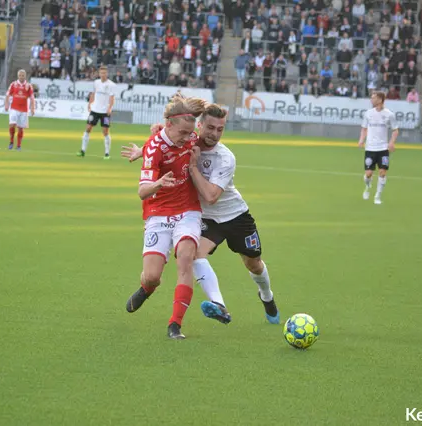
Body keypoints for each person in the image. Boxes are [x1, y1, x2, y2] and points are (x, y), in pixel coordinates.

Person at [122, 103, 280, 325]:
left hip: (235, 216)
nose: (215, 134)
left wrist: (193, 167)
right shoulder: (189, 139)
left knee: (253, 264)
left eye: (220, 129)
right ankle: (219, 305)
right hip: (206, 218)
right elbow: (166, 138)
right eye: (210, 128)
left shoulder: (225, 158)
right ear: (200, 125)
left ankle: (267, 296)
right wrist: (143, 151)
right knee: (192, 254)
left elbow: (211, 196)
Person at [125, 95, 208, 340]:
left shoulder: (188, 134)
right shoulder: (153, 148)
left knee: (185, 258)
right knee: (152, 276)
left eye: (190, 133)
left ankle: (175, 325)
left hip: (188, 210)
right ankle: (146, 288)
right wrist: (159, 183)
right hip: (158, 213)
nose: (188, 139)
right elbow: (142, 192)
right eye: (183, 133)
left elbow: (201, 134)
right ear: (169, 125)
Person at [358, 91, 399, 205]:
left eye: (373, 98)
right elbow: (364, 128)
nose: (371, 100)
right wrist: (361, 139)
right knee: (369, 173)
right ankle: (367, 185)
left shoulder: (389, 114)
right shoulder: (368, 113)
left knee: (382, 172)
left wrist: (391, 142)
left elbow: (395, 130)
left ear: (380, 100)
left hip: (383, 149)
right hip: (370, 148)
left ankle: (377, 196)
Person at [78, 66, 116, 159]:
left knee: (105, 131)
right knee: (88, 128)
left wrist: (110, 108)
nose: (103, 75)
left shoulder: (111, 85)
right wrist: (90, 104)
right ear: (99, 74)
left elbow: (112, 98)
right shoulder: (96, 83)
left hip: (105, 112)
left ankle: (107, 153)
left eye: (104, 73)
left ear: (107, 74)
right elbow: (93, 94)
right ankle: (82, 150)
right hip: (95, 110)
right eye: (101, 73)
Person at [4, 69, 35, 151]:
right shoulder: (13, 84)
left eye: (23, 75)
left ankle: (18, 145)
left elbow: (32, 98)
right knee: (12, 125)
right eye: (20, 75)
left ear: (25, 76)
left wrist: (32, 108)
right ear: (18, 76)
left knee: (21, 128)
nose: (21, 77)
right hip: (14, 108)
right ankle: (11, 142)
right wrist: (6, 104)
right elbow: (7, 95)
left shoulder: (28, 86)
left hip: (24, 110)